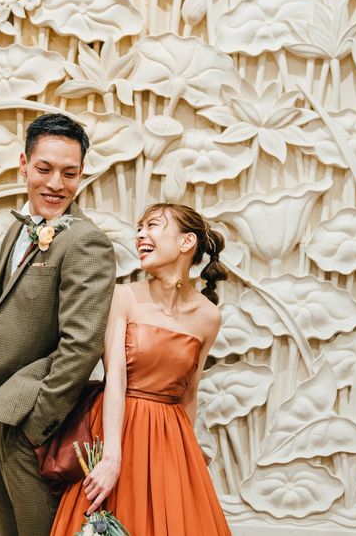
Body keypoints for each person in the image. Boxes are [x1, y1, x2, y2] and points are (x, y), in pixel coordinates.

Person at [0, 113, 116, 536]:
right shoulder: (17, 231)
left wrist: (37, 426)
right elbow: (1, 317)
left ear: (82, 173)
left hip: (34, 426)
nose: (55, 184)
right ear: (24, 165)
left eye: (69, 173)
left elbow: (82, 345)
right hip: (1, 414)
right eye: (44, 169)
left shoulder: (86, 241)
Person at [51, 203, 232, 536]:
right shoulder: (123, 297)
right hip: (118, 429)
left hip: (171, 439)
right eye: (139, 228)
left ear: (186, 242)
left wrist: (186, 457)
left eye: (153, 226)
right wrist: (111, 457)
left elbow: (189, 394)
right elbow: (115, 380)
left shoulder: (209, 317)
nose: (140, 235)